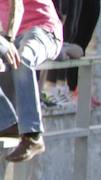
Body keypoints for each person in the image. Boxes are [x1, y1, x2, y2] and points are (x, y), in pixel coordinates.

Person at [0, 0, 63, 162]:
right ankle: (7, 124)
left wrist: (8, 41)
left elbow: (17, 7)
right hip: (12, 36)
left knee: (22, 59)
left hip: (42, 31)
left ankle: (32, 135)